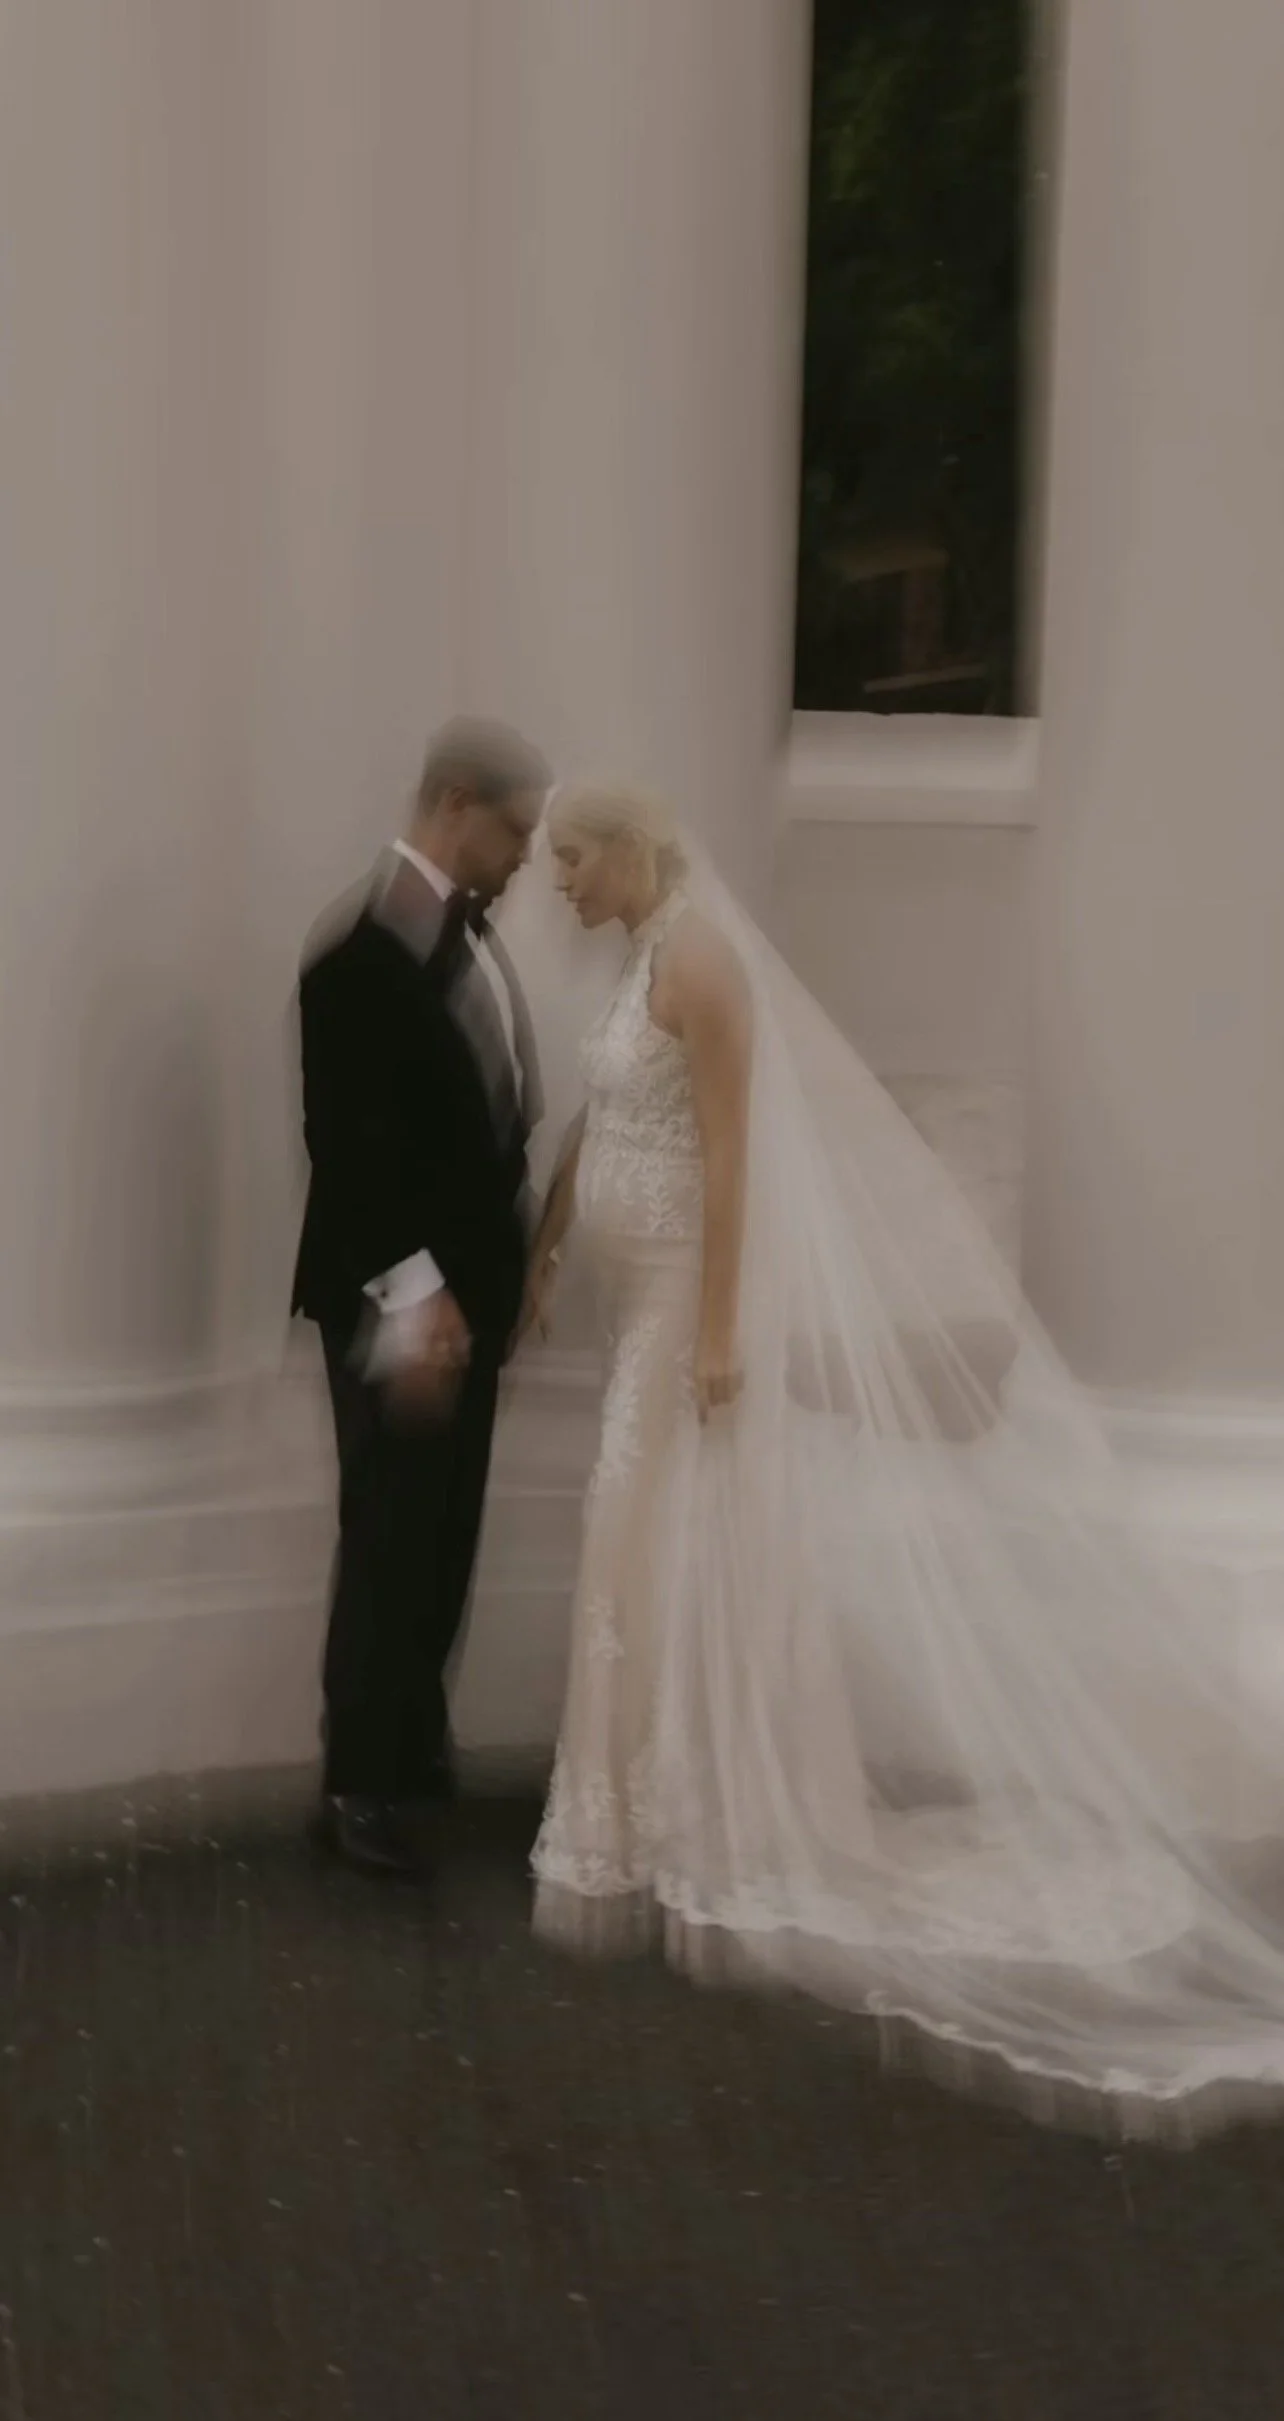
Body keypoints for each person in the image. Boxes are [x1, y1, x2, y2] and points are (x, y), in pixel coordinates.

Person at [517, 782, 1284, 2141]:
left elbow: (737, 1146)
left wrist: (713, 1331)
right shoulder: (643, 956)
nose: (557, 882)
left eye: (569, 859)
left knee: (668, 1539)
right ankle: (639, 1807)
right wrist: (549, 1246)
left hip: (686, 1309)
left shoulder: (700, 955)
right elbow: (610, 1118)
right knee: (639, 1546)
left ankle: (706, 1812)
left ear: (628, 849)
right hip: (639, 1302)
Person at [292, 719, 549, 1879]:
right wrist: (417, 1298)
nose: (530, 856)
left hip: (469, 1303)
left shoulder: (470, 939)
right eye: (518, 831)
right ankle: (358, 1782)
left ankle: (406, 1753)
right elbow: (349, 1154)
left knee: (442, 1536)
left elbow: (487, 1122)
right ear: (456, 802)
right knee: (390, 1536)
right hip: (394, 1302)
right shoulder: (353, 953)